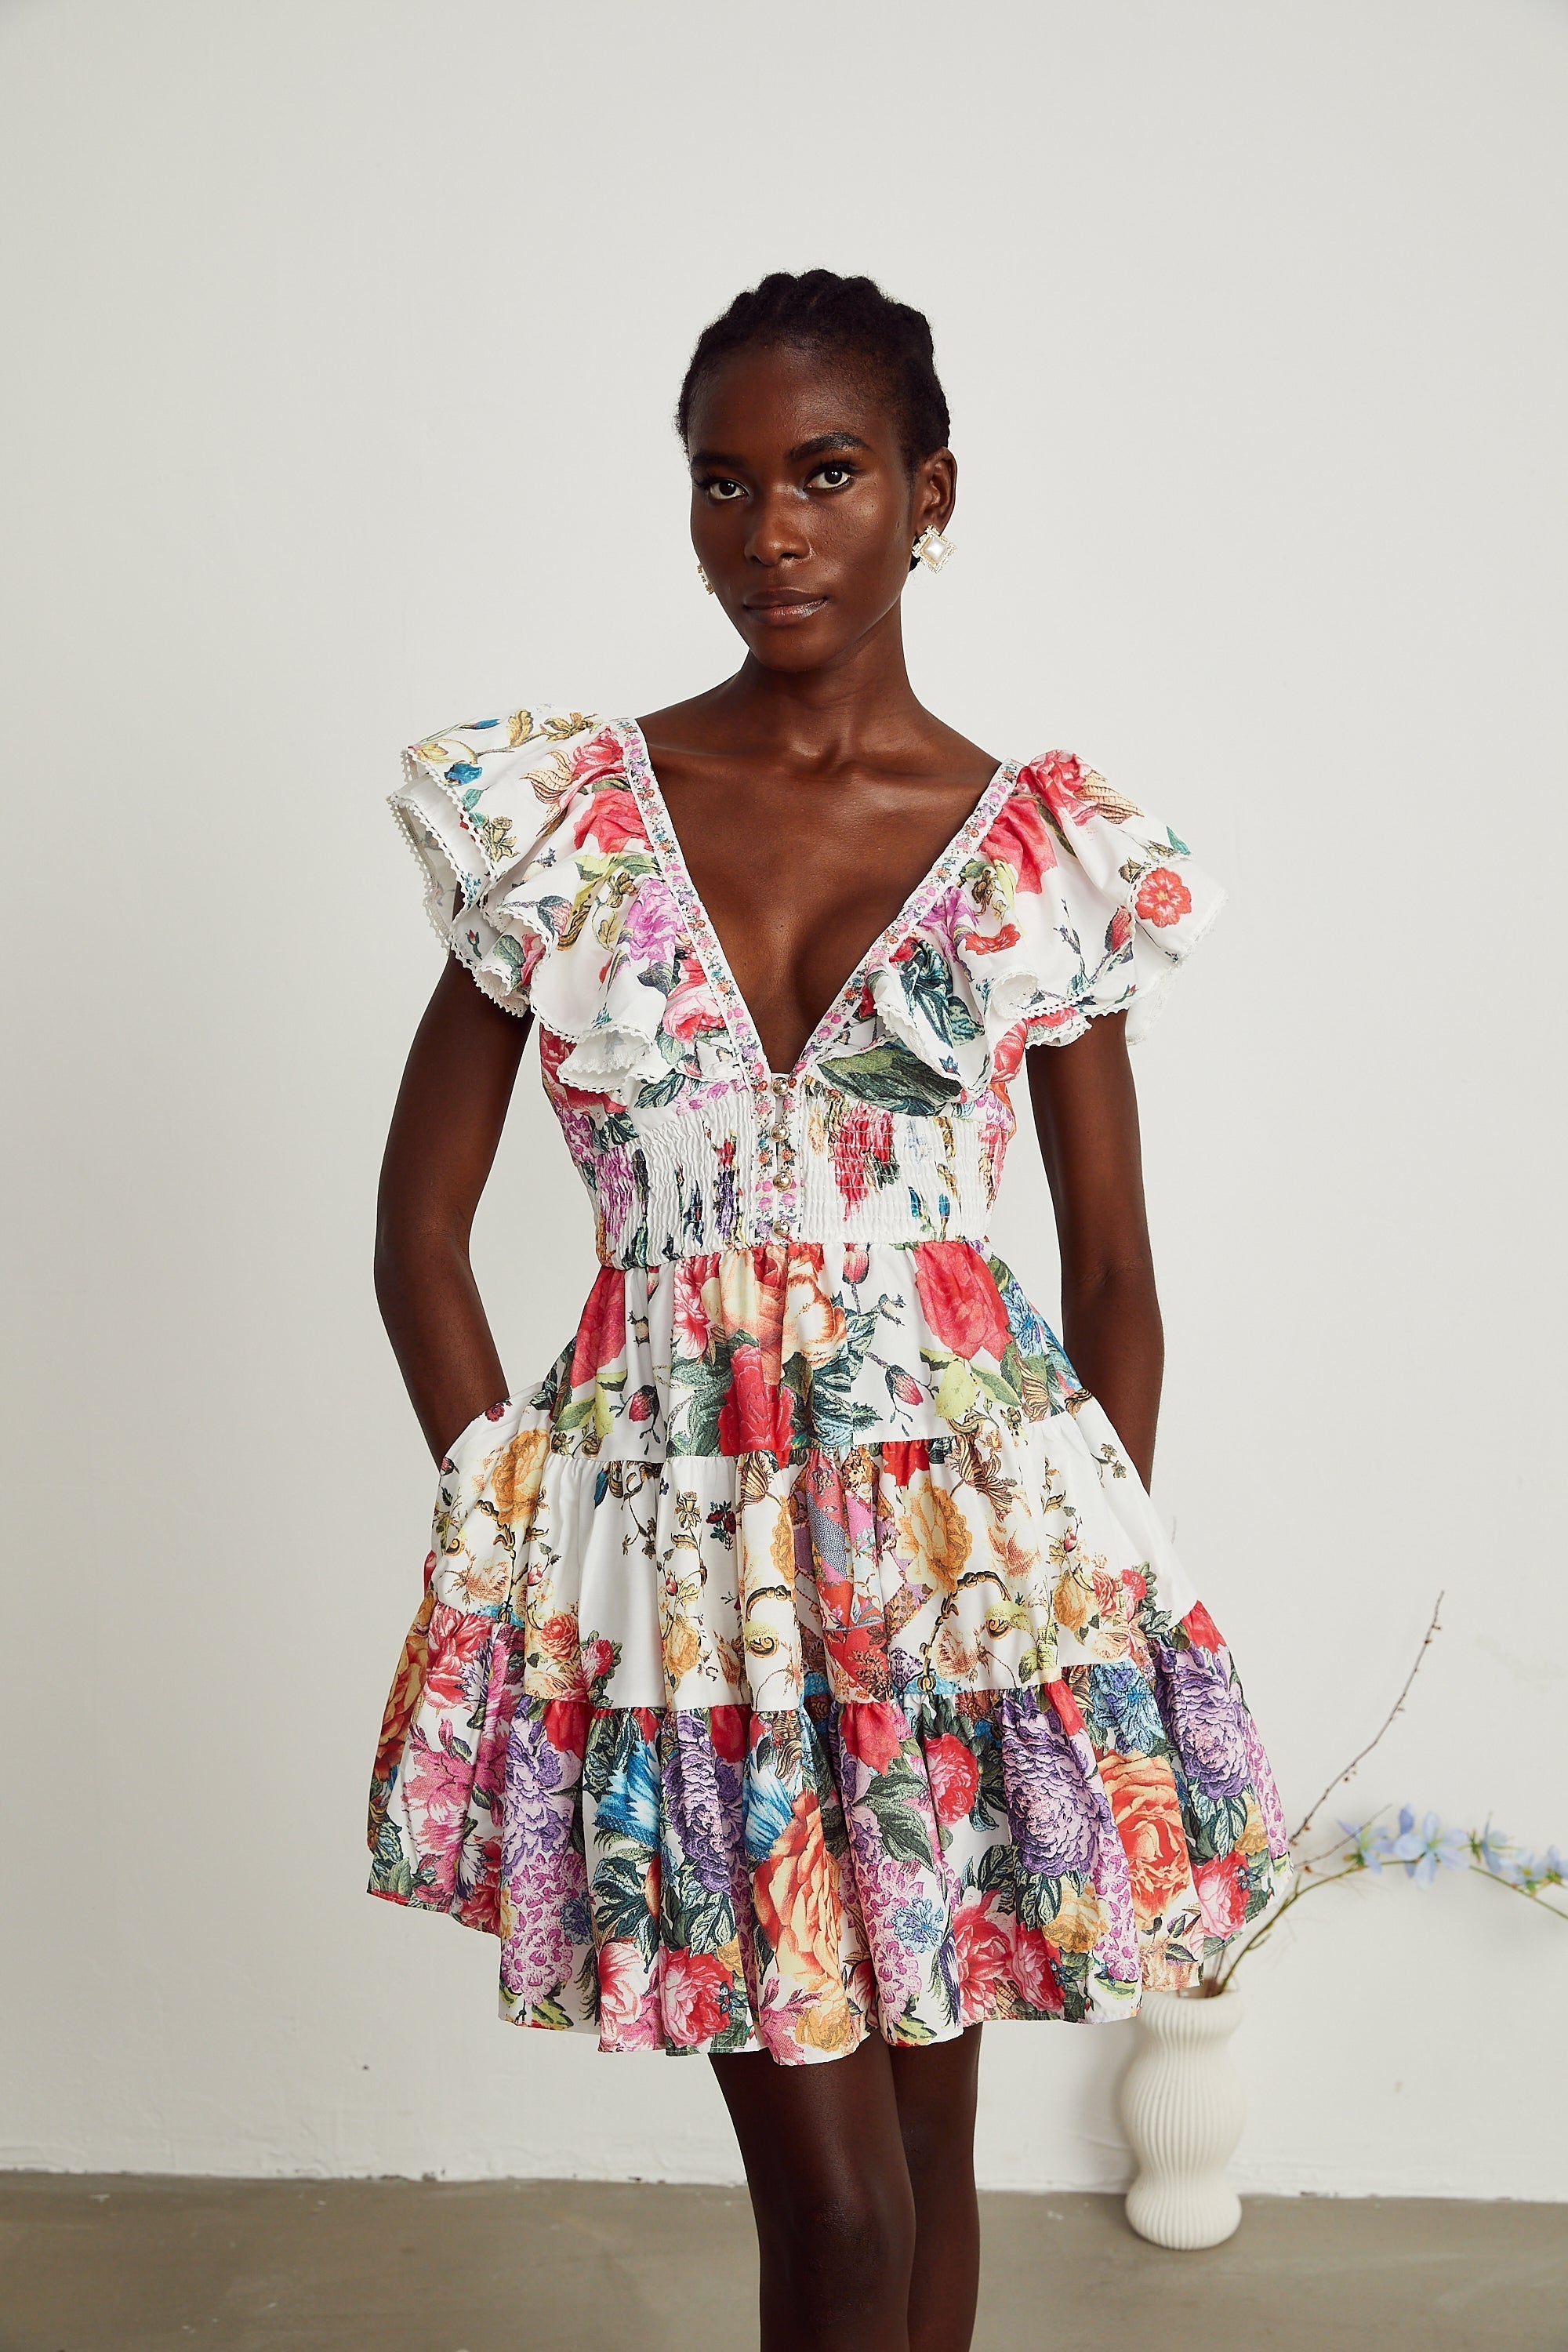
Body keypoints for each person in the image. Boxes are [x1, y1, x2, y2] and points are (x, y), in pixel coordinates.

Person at [368, 269, 1290, 2352]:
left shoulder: (1039, 854)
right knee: (846, 2214)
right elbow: (419, 1239)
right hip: (688, 1605)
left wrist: (1070, 1620)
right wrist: (514, 1537)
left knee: (936, 2171)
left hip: (965, 1599)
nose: (769, 531)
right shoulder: (570, 828)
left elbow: (1114, 1274)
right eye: (725, 483)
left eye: (826, 474)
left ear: (927, 496)